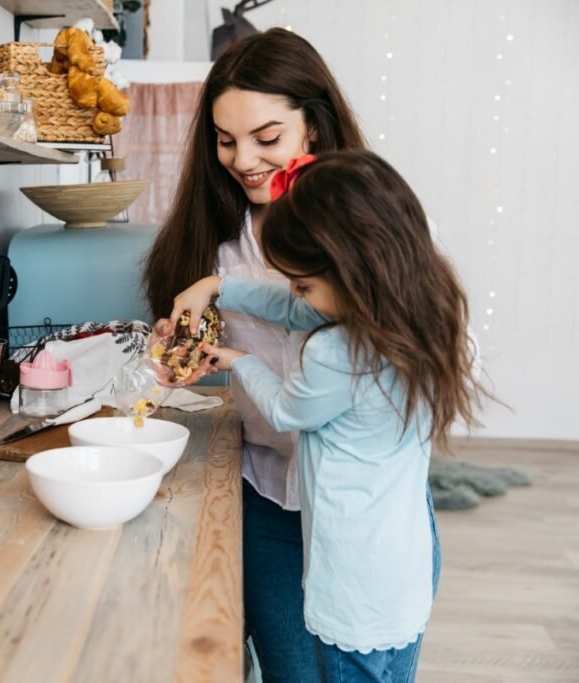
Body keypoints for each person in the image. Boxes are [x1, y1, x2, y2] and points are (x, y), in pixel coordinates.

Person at [169, 150, 484, 681]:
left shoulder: (335, 352)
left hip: (349, 585)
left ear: (354, 270)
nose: (295, 294)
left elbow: (286, 409)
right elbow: (300, 309)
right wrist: (217, 286)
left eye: (303, 282)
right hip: (404, 570)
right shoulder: (419, 320)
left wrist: (239, 361)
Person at [142, 27, 367, 681]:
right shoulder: (214, 246)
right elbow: (191, 354)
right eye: (225, 139)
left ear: (314, 128)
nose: (243, 160)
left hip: (365, 509)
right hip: (269, 496)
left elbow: (441, 350)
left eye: (267, 138)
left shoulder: (375, 228)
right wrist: (175, 356)